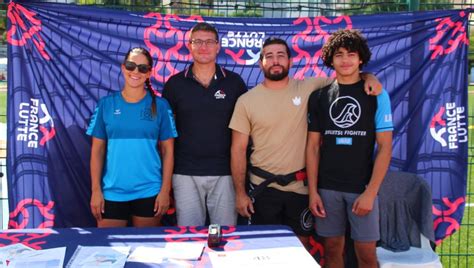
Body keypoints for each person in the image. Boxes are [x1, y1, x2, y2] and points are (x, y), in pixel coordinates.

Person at [229, 37, 382, 248]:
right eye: (269, 56)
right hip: (262, 189)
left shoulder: (310, 87)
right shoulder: (246, 101)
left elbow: (347, 74)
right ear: (260, 63)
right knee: (262, 249)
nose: (275, 61)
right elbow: (238, 149)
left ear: (290, 62)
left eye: (281, 55)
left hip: (301, 189)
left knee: (299, 249)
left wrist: (369, 76)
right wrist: (240, 193)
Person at [306, 29, 393, 267]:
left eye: (351, 54)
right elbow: (312, 147)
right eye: (339, 54)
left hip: (362, 189)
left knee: (366, 255)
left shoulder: (376, 94)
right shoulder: (319, 97)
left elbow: (385, 147)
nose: (345, 60)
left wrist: (371, 192)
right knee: (332, 250)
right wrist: (313, 191)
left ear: (361, 59)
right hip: (327, 189)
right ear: (330, 59)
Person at [162, 22, 247, 226]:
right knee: (190, 239)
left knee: (225, 237)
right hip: (185, 173)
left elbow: (244, 133)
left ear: (218, 46)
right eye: (197, 41)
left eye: (209, 42)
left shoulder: (234, 83)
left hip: (225, 174)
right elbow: (166, 137)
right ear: (189, 45)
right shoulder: (174, 84)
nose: (203, 47)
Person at [87, 47, 177, 227]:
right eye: (131, 66)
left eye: (143, 68)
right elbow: (97, 151)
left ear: (149, 73)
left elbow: (168, 151)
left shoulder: (160, 106)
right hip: (111, 193)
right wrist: (96, 190)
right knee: (109, 253)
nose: (136, 72)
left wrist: (165, 191)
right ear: (122, 67)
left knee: (147, 253)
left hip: (150, 191)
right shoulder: (106, 104)